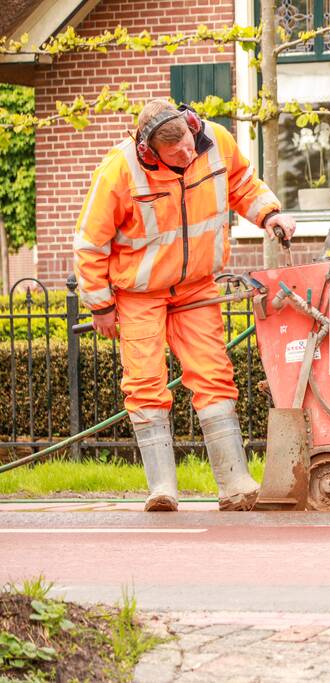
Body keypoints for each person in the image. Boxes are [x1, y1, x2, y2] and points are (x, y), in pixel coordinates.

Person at [73, 99, 297, 512]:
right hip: (140, 293)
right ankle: (162, 489)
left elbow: (243, 184)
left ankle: (235, 484)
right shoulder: (119, 172)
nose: (188, 155)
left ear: (192, 126)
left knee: (213, 375)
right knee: (144, 384)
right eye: (175, 153)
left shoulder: (215, 141)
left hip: (195, 287)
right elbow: (90, 244)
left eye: (190, 145)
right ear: (149, 151)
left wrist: (269, 215)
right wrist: (100, 305)